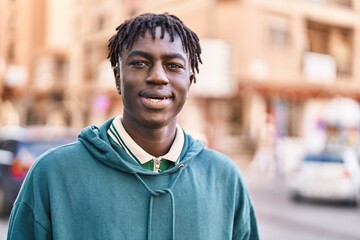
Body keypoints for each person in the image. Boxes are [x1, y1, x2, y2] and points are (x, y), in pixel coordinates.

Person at [7, 13, 259, 240]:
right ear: (118, 78)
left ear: (189, 82)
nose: (158, 76)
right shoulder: (53, 174)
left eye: (174, 66)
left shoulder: (224, 178)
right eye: (140, 63)